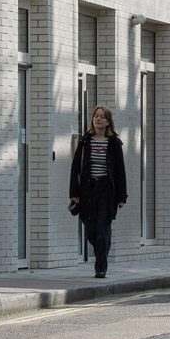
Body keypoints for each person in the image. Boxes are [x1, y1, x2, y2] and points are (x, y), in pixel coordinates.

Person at [66, 105, 128, 279]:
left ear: (108, 121)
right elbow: (75, 167)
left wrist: (121, 196)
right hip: (88, 190)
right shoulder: (86, 141)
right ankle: (103, 249)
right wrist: (74, 192)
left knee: (102, 227)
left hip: (107, 191)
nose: (98, 119)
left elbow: (120, 171)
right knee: (91, 231)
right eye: (96, 116)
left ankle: (100, 267)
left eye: (102, 116)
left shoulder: (114, 143)